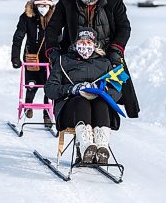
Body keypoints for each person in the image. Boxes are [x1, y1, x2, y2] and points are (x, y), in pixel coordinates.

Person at [45, 0, 139, 119]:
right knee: (75, 96)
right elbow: (52, 28)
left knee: (111, 92)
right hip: (75, 58)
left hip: (107, 56)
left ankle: (104, 126)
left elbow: (124, 27)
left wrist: (116, 50)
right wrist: (53, 51)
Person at [44, 27, 121, 164]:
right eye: (81, 42)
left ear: (95, 45)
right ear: (75, 44)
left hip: (98, 110)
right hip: (71, 109)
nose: (84, 46)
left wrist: (103, 91)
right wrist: (71, 89)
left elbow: (117, 92)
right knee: (81, 101)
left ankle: (102, 146)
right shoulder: (64, 61)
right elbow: (50, 89)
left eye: (88, 43)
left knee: (101, 103)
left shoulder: (104, 63)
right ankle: (86, 146)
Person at [11, 0, 55, 122]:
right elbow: (18, 37)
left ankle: (47, 114)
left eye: (45, 5)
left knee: (50, 86)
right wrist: (15, 57)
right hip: (31, 56)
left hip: (50, 57)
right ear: (35, 4)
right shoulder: (27, 17)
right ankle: (28, 106)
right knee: (31, 84)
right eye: (40, 5)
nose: (43, 8)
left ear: (50, 5)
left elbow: (61, 37)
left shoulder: (55, 17)